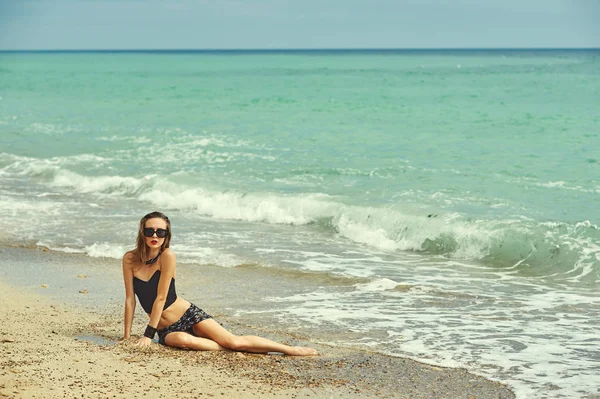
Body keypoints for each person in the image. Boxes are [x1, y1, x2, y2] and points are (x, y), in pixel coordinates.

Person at [122, 211, 318, 356]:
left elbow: (161, 298)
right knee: (181, 340)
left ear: (167, 235)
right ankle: (230, 349)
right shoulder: (130, 259)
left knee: (234, 341)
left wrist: (148, 335)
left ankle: (289, 349)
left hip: (187, 315)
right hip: (165, 329)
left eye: (160, 232)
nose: (155, 236)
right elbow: (130, 300)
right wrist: (126, 336)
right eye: (150, 231)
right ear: (142, 233)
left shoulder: (167, 256)